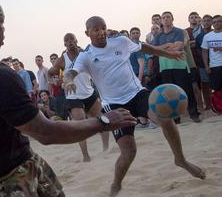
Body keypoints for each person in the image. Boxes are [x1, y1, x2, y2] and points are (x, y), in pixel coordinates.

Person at [0, 0, 137, 196]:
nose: (5, 29)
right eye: (2, 21)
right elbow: (47, 132)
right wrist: (103, 122)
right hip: (8, 179)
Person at [64, 16, 206, 197]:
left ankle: (180, 159)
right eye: (96, 29)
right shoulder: (86, 56)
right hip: (113, 105)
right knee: (129, 151)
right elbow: (71, 72)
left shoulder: (120, 41)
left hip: (137, 94)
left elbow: (144, 47)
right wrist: (68, 81)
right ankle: (116, 183)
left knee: (165, 118)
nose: (101, 32)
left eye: (103, 28)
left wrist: (169, 54)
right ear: (87, 33)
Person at [49, 33, 109, 162]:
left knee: (103, 120)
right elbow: (50, 73)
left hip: (89, 92)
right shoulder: (62, 59)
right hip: (73, 96)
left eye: (72, 39)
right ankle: (86, 156)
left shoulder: (85, 53)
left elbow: (99, 62)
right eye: (67, 40)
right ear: (64, 44)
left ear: (76, 41)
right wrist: (55, 81)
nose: (70, 42)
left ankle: (106, 149)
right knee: (80, 126)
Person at [152, 11, 201, 123]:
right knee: (169, 93)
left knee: (187, 90)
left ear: (172, 19)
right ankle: (175, 118)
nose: (165, 19)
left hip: (179, 65)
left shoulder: (179, 31)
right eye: (163, 17)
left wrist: (163, 49)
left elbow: (179, 46)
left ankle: (194, 114)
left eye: (168, 17)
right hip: (165, 67)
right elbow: (154, 50)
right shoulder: (159, 35)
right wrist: (168, 46)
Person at [196, 14, 213, 110]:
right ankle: (208, 105)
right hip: (203, 65)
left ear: (211, 22)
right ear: (201, 22)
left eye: (208, 20)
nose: (206, 22)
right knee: (205, 85)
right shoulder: (199, 37)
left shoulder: (217, 33)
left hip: (217, 63)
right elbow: (199, 51)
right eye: (204, 21)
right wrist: (204, 64)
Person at [201, 15, 222, 93]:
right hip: (214, 66)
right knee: (216, 90)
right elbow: (204, 52)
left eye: (219, 21)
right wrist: (206, 66)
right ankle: (218, 105)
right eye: (214, 22)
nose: (216, 23)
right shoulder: (207, 36)